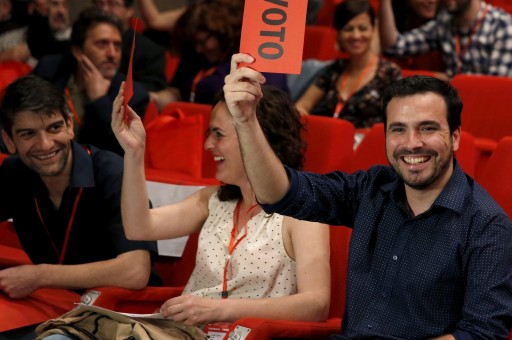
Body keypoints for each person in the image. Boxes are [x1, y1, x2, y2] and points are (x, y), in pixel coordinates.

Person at [224, 53, 512, 339]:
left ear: (455, 137)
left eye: (427, 128)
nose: (411, 143)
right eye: (398, 130)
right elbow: (281, 194)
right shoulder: (371, 188)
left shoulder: (487, 226)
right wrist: (246, 120)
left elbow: (482, 334)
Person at [103, 82, 331, 326]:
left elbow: (316, 304)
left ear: (257, 137)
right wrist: (134, 153)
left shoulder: (302, 212)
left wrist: (220, 310)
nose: (207, 144)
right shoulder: (212, 199)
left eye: (218, 134)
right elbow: (138, 227)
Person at [0, 75, 159, 337]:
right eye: (28, 134)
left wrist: (39, 276)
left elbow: (135, 271)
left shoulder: (112, 172)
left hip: (117, 315)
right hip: (51, 309)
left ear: (70, 125)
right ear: (9, 141)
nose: (45, 144)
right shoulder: (15, 172)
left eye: (54, 128)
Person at [32, 7, 149, 155]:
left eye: (117, 46)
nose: (112, 54)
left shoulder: (133, 95)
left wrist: (99, 101)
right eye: (102, 44)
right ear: (78, 51)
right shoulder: (50, 69)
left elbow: (118, 152)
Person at [150, 0, 288, 110]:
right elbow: (178, 92)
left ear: (220, 32)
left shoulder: (249, 56)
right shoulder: (195, 55)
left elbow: (267, 105)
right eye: (195, 44)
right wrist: (154, 98)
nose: (199, 50)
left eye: (202, 42)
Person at [295, 0, 401, 129]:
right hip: (332, 140)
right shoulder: (335, 69)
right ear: (338, 34)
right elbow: (302, 106)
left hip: (368, 145)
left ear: (373, 30)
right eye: (348, 29)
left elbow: (398, 119)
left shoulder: (389, 72)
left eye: (362, 28)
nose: (356, 35)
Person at [379, 0, 512, 80]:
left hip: (489, 109)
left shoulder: (503, 26)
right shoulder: (444, 23)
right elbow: (394, 46)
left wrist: (447, 80)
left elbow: (496, 88)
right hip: (452, 109)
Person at [93, 0, 167, 92]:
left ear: (129, 10)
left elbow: (152, 93)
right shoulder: (84, 43)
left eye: (112, 4)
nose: (104, 9)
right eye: (99, 3)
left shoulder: (149, 51)